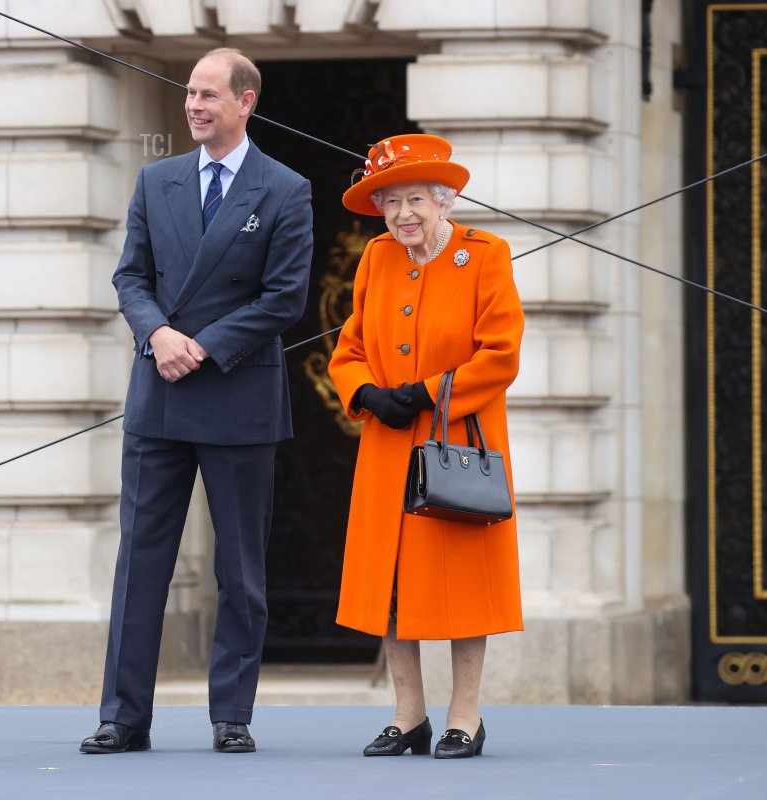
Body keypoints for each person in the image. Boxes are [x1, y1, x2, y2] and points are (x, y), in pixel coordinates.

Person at [80, 48, 314, 755]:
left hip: (237, 397)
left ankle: (231, 714)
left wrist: (202, 345)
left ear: (247, 102)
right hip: (160, 396)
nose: (193, 105)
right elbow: (131, 278)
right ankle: (124, 715)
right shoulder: (156, 181)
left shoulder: (286, 188)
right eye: (190, 94)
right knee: (140, 562)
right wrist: (159, 335)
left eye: (209, 95)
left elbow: (286, 298)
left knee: (239, 568)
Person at [329, 133, 524, 759]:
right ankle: (408, 716)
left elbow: (501, 354)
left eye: (416, 199)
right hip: (389, 446)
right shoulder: (377, 258)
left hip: (458, 441)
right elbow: (349, 349)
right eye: (391, 202)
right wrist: (365, 394)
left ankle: (464, 716)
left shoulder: (486, 254)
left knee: (464, 584)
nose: (403, 214)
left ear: (443, 201)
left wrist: (431, 392)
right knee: (390, 586)